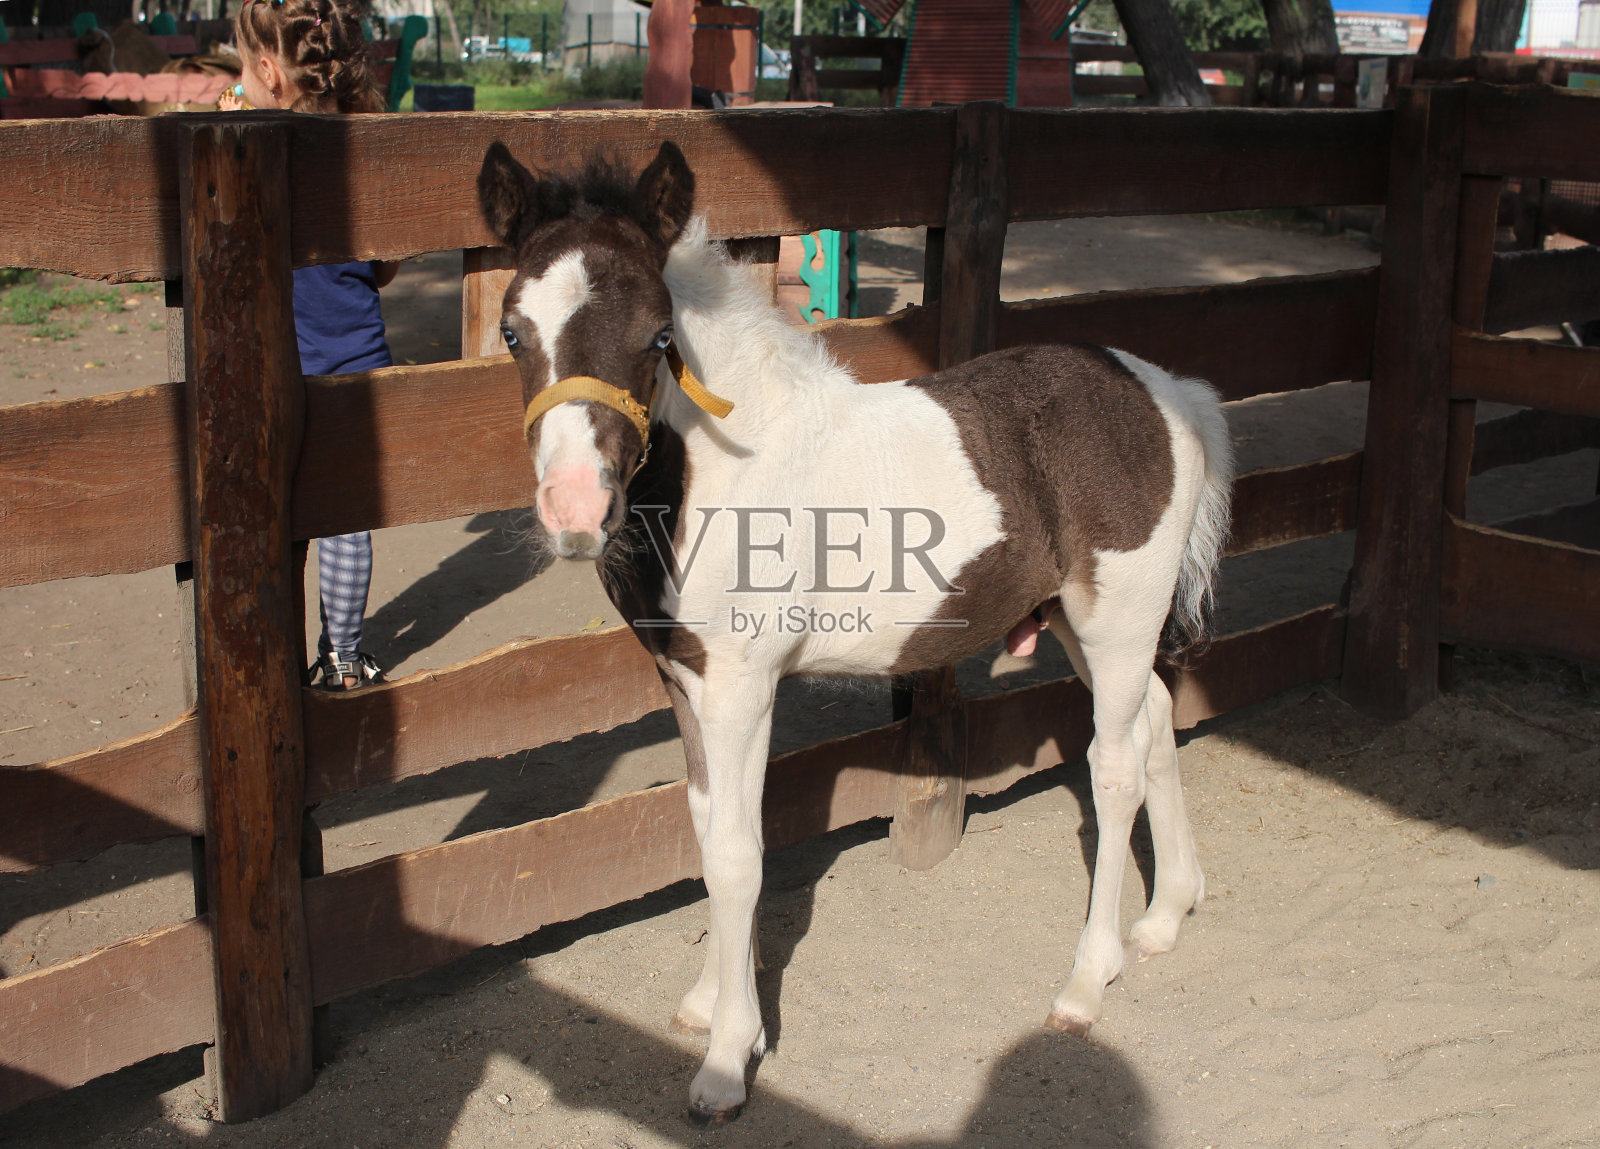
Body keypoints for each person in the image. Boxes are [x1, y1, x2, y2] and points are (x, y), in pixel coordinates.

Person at [222, 0, 395, 690]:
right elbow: (384, 264)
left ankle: (272, 663)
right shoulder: (361, 146)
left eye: (242, 68)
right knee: (346, 523)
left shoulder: (250, 147)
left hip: (278, 361)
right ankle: (344, 655)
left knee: (275, 515)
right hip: (355, 361)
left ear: (268, 70)